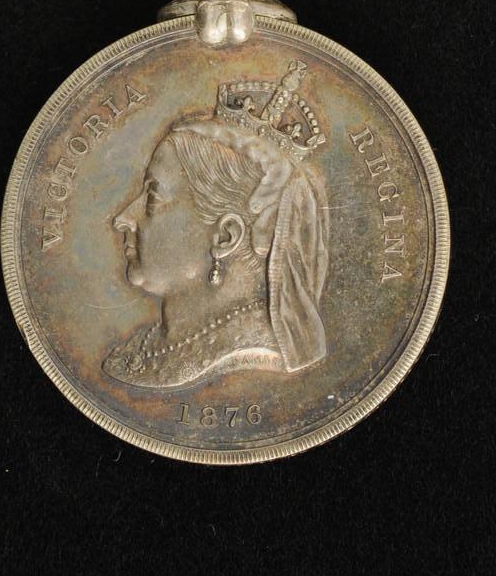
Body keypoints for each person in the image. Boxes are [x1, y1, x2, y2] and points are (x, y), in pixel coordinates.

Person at [103, 62, 329, 390]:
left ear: (225, 237)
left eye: (152, 198)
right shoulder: (140, 347)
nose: (123, 218)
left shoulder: (252, 359)